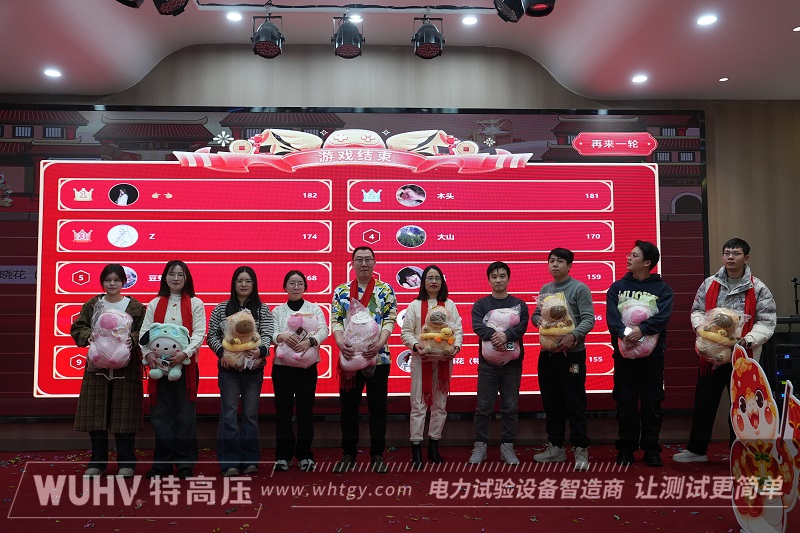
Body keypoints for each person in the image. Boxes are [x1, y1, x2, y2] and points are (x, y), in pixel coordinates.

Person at [673, 238, 776, 463]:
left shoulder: (758, 287)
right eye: (727, 253)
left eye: (736, 253)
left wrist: (747, 340)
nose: (730, 257)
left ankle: (739, 452)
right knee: (704, 404)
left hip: (743, 357)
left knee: (742, 407)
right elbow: (697, 310)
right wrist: (702, 329)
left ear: (746, 258)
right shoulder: (709, 283)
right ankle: (697, 450)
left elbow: (767, 321)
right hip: (711, 356)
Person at [71, 264, 145, 478]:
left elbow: (145, 332)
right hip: (97, 368)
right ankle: (98, 462)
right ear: (102, 282)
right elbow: (78, 327)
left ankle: (127, 462)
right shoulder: (93, 304)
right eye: (108, 280)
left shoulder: (135, 306)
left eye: (116, 280)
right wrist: (89, 335)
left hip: (127, 369)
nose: (112, 284)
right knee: (96, 416)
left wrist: (131, 339)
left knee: (125, 417)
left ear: (124, 282)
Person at [606, 241, 673, 467]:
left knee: (652, 402)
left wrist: (642, 330)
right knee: (625, 401)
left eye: (634, 255)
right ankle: (626, 448)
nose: (628, 257)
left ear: (647, 262)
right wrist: (628, 333)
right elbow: (612, 319)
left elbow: (662, 318)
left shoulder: (663, 289)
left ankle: (651, 449)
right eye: (629, 254)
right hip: (624, 355)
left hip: (653, 357)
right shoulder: (617, 287)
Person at [331, 246, 397, 473]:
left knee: (378, 408)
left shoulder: (385, 289)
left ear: (375, 262)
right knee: (348, 408)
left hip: (378, 357)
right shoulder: (341, 290)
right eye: (359, 260)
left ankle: (377, 454)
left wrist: (379, 344)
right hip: (349, 357)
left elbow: (390, 318)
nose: (364, 264)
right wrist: (340, 342)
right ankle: (348, 454)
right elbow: (336, 319)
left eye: (368, 259)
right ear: (352, 264)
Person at [140, 260, 206, 479]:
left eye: (180, 274)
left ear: (187, 278)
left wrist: (184, 354)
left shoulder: (195, 303)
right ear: (165, 278)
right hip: (158, 367)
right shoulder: (154, 303)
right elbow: (145, 334)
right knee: (160, 415)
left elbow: (199, 333)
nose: (176, 278)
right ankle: (162, 464)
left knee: (185, 416)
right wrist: (148, 355)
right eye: (171, 274)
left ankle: (186, 463)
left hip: (185, 367)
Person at [531, 248, 596, 471]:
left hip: (572, 356)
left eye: (560, 261)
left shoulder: (579, 288)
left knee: (575, 402)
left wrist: (573, 336)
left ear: (569, 266)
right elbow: (536, 314)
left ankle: (580, 448)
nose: (555, 264)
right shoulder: (545, 289)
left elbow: (588, 319)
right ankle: (556, 447)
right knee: (551, 403)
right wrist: (539, 321)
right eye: (551, 261)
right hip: (548, 355)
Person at [207, 266, 273, 477]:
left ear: (254, 284)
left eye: (248, 281)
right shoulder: (221, 308)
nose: (244, 284)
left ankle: (250, 461)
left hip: (254, 370)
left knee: (250, 415)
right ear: (233, 284)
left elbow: (268, 334)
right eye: (239, 281)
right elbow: (211, 336)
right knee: (228, 415)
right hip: (228, 370)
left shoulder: (263, 309)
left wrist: (261, 351)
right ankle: (230, 463)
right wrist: (223, 355)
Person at [400, 265, 463, 468]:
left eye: (437, 278)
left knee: (440, 404)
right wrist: (416, 346)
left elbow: (458, 330)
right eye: (429, 278)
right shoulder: (415, 305)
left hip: (444, 360)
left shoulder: (450, 305)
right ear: (423, 282)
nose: (434, 281)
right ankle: (416, 448)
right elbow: (406, 332)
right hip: (421, 359)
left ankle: (434, 446)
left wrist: (456, 347)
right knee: (418, 404)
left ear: (442, 282)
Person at [469, 261, 529, 465]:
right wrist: (498, 336)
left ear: (508, 279)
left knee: (510, 407)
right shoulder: (481, 304)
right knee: (483, 407)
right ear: (489, 280)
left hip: (512, 365)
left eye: (502, 276)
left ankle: (507, 447)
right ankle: (480, 447)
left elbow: (522, 327)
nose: (498, 280)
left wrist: (508, 336)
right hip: (487, 365)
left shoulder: (519, 304)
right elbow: (477, 326)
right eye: (494, 277)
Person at [271, 270, 328, 472]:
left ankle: (304, 455)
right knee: (283, 412)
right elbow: (271, 333)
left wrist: (310, 341)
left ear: (305, 287)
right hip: (282, 369)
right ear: (284, 287)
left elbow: (323, 330)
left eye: (300, 283)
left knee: (305, 411)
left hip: (306, 368)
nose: (296, 287)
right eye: (292, 283)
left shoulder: (314, 308)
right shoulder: (278, 311)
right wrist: (281, 337)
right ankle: (283, 456)